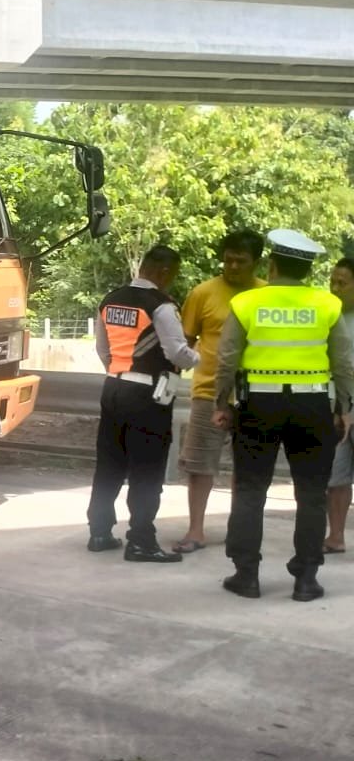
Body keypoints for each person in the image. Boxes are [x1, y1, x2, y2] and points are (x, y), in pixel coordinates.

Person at [213, 231, 354, 601]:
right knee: (311, 494)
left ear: (272, 265)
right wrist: (345, 408)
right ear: (307, 269)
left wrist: (221, 403)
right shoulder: (327, 304)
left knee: (250, 489)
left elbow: (226, 358)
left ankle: (246, 574)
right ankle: (306, 578)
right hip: (313, 406)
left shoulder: (247, 302)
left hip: (258, 405)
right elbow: (343, 362)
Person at [87, 245, 199, 563]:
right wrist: (202, 358)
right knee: (147, 468)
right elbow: (177, 353)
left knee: (109, 464)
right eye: (172, 274)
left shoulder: (110, 300)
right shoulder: (160, 306)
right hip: (148, 395)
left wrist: (120, 371)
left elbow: (103, 349)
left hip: (113, 386)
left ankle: (99, 532)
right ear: (163, 271)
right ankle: (141, 541)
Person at [172, 230, 266, 553]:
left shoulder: (266, 295)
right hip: (209, 393)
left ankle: (239, 531)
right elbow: (185, 341)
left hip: (256, 394)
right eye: (228, 260)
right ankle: (195, 531)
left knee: (248, 467)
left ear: (257, 262)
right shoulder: (203, 293)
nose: (233, 266)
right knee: (200, 465)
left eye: (241, 261)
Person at [323, 257, 354, 554]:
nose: (334, 288)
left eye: (341, 283)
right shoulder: (328, 317)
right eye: (332, 281)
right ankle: (335, 537)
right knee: (336, 474)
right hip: (338, 405)